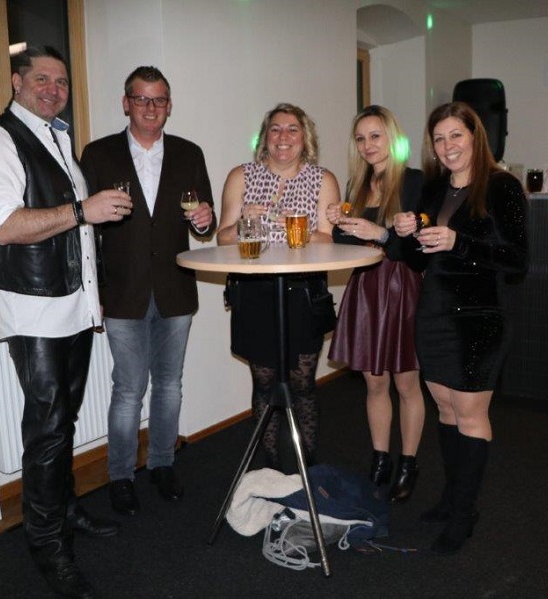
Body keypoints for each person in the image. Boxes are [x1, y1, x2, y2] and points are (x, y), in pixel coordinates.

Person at [0, 46, 129, 599]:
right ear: (16, 81)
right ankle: (46, 544)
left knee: (64, 420)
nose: (53, 88)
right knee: (47, 430)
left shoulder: (56, 138)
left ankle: (66, 509)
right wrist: (84, 210)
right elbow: (6, 226)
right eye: (41, 78)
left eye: (61, 81)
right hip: (35, 312)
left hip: (73, 307)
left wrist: (92, 294)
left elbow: (73, 233)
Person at [80, 66, 216, 517]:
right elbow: (85, 233)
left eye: (159, 100)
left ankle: (162, 464)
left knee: (170, 385)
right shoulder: (98, 154)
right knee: (129, 388)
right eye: (142, 99)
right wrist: (93, 288)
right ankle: (120, 476)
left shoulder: (189, 153)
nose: (151, 107)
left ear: (169, 106)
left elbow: (205, 218)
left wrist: (205, 221)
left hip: (175, 289)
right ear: (126, 104)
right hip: (122, 292)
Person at [394, 102, 528, 555]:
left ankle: (464, 513)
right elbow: (415, 259)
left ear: (475, 137)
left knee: (469, 415)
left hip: (480, 316)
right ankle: (452, 499)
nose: (447, 146)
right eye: (439, 138)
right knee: (446, 410)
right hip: (434, 311)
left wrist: (459, 241)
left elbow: (517, 261)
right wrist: (406, 233)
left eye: (456, 135)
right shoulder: (434, 189)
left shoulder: (502, 186)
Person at [217, 103, 339, 470]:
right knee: (264, 383)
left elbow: (329, 240)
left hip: (303, 291)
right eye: (275, 129)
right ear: (264, 137)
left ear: (305, 138)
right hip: (254, 291)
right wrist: (243, 222)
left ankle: (307, 467)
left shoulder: (323, 179)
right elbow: (222, 238)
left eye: (292, 129)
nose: (283, 137)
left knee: (302, 384)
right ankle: (269, 466)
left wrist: (296, 227)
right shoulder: (242, 176)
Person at [324, 105, 425, 503]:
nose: (368, 145)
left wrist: (377, 231)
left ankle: (408, 463)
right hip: (366, 286)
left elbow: (412, 246)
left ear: (392, 137)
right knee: (374, 382)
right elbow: (345, 243)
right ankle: (380, 459)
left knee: (406, 382)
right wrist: (337, 220)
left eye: (375, 136)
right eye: (361, 138)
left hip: (402, 286)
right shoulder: (357, 184)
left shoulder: (414, 180)